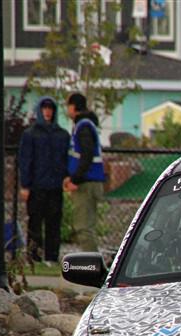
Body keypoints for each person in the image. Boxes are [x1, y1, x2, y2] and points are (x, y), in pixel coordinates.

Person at [18, 97, 70, 264]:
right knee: (35, 223)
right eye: (44, 108)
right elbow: (25, 160)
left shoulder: (62, 135)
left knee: (54, 223)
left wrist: (66, 178)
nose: (47, 112)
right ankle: (33, 258)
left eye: (50, 108)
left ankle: (52, 258)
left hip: (55, 186)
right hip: (36, 187)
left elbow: (66, 159)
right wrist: (25, 185)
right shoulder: (30, 134)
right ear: (39, 111)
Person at [64, 92, 105, 252]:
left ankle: (92, 267)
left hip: (86, 184)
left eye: (68, 106)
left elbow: (86, 156)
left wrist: (75, 179)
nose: (67, 110)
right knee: (87, 226)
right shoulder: (86, 125)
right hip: (88, 181)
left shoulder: (83, 127)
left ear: (73, 107)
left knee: (83, 228)